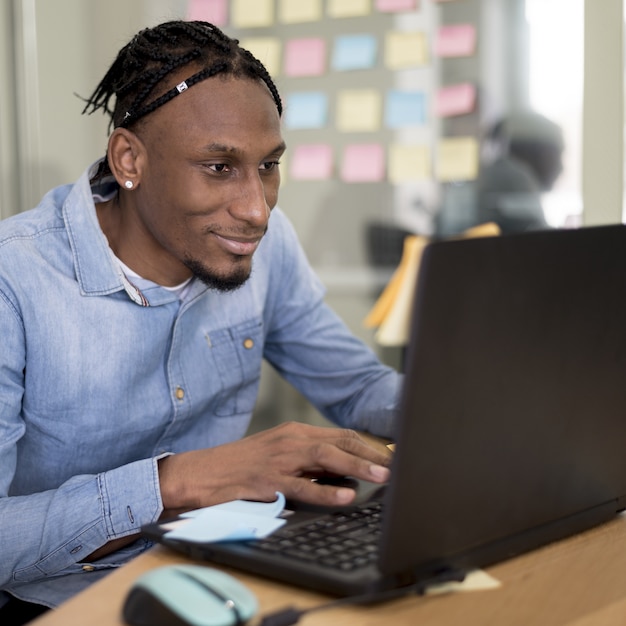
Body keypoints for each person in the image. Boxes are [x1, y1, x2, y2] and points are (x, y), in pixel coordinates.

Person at [0, 21, 401, 623]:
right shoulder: (16, 279)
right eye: (219, 167)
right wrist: (176, 482)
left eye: (268, 165)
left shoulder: (263, 245)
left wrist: (468, 418)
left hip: (227, 574)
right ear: (129, 159)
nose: (257, 209)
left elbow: (359, 387)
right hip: (59, 601)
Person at [474, 111, 565, 234]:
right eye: (557, 155)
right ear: (537, 151)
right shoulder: (513, 177)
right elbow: (540, 241)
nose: (560, 167)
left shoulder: (500, 172)